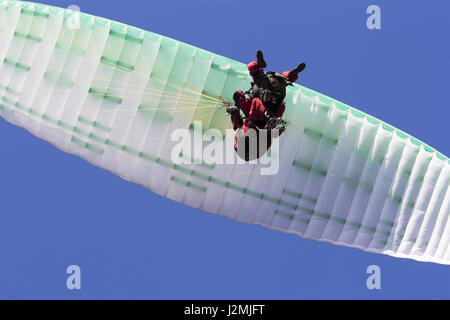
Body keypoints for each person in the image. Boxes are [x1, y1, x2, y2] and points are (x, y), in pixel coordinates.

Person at [227, 50, 306, 133]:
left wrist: (232, 109)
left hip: (269, 95)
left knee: (254, 100)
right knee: (280, 81)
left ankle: (290, 76)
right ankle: (290, 75)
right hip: (272, 94)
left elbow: (237, 122)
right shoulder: (255, 126)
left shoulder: (249, 122)